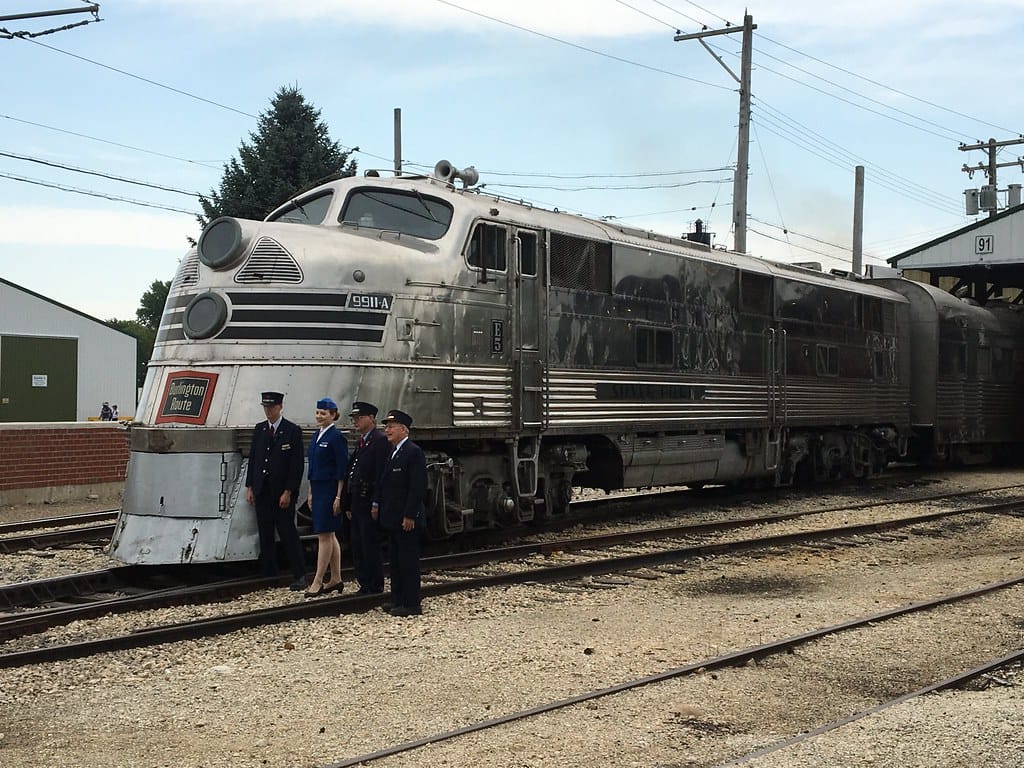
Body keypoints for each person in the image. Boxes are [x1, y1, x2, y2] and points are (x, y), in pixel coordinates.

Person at [244, 391, 307, 590]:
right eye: (265, 407)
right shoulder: (260, 429)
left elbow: (296, 466)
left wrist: (289, 491)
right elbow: (253, 459)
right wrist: (250, 486)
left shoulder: (292, 431)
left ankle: (300, 574)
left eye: (271, 407)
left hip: (281, 493)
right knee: (265, 534)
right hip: (263, 490)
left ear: (280, 407)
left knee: (287, 533)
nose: (268, 411)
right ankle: (269, 574)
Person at [374, 409, 427, 617]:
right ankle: (397, 598)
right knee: (395, 561)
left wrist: (410, 514)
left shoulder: (413, 452)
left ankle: (412, 603)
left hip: (406, 517)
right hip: (393, 517)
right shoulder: (394, 451)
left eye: (391, 426)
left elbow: (417, 487)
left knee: (408, 561)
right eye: (386, 426)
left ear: (404, 430)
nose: (387, 430)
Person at [341, 401, 389, 595]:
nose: (355, 421)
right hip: (357, 501)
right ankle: (364, 583)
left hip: (368, 500)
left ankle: (374, 584)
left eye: (359, 418)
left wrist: (376, 501)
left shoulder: (379, 441)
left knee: (369, 544)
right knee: (358, 544)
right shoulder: (362, 442)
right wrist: (348, 502)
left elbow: (379, 475)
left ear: (371, 418)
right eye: (354, 418)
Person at [304, 397, 349, 597]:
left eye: (323, 413)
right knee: (329, 534)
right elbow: (312, 467)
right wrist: (311, 492)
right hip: (318, 489)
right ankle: (336, 578)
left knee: (324, 534)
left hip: (331, 490)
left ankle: (318, 580)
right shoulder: (317, 436)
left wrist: (339, 497)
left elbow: (341, 469)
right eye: (317, 413)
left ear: (333, 414)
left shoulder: (336, 437)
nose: (319, 416)